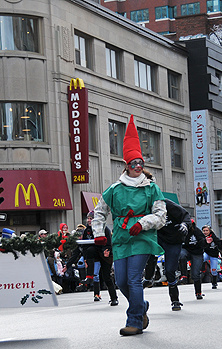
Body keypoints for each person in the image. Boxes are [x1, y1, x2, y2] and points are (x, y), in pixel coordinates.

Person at [91, 116, 166, 336]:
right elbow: (99, 211)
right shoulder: (114, 189)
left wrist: (143, 224)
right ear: (126, 165)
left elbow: (161, 216)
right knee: (121, 280)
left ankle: (134, 321)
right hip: (122, 239)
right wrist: (98, 234)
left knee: (133, 278)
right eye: (134, 163)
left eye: (141, 163)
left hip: (142, 238)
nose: (138, 167)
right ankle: (141, 307)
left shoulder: (152, 188)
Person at [142, 198, 191, 311]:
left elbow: (185, 215)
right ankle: (149, 277)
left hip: (173, 239)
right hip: (158, 237)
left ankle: (175, 299)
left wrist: (184, 225)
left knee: (170, 271)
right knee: (149, 253)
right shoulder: (145, 206)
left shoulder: (168, 204)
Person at [80, 211, 118, 305]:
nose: (89, 220)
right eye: (88, 218)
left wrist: (107, 250)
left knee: (106, 277)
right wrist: (85, 259)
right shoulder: (87, 230)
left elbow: (109, 240)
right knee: (89, 250)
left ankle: (114, 298)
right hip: (95, 252)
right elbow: (84, 246)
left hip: (105, 254)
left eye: (91, 218)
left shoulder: (104, 228)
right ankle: (89, 277)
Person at [179, 220, 206, 300]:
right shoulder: (182, 231)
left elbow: (203, 242)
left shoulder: (197, 231)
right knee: (182, 255)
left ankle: (198, 292)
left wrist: (206, 242)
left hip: (197, 252)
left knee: (195, 274)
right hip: (186, 250)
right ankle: (184, 275)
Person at [202, 224, 222, 289]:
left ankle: (214, 283)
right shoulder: (201, 237)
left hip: (214, 255)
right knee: (201, 259)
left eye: (206, 230)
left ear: (210, 231)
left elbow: (220, 247)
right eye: (204, 231)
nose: (205, 232)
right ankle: (202, 269)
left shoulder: (214, 237)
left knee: (214, 270)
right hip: (206, 253)